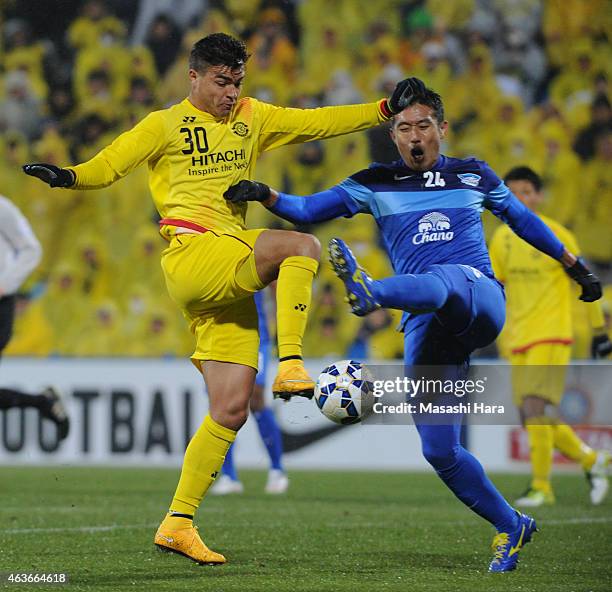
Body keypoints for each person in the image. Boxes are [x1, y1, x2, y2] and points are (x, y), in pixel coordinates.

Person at [23, 32, 413, 565]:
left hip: (227, 267)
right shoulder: (163, 125)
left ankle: (177, 521)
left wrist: (385, 108)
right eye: (221, 82)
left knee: (230, 409)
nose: (230, 93)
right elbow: (110, 164)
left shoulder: (253, 116)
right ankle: (293, 364)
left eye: (237, 83)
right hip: (192, 254)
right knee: (301, 245)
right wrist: (68, 176)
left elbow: (315, 121)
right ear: (194, 77)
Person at [224, 78, 604, 572]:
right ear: (395, 136)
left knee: (441, 278)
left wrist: (573, 263)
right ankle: (511, 525)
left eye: (423, 124)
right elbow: (308, 210)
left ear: (442, 129)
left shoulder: (474, 175)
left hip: (477, 295)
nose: (413, 135)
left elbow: (524, 221)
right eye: (403, 128)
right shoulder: (374, 182)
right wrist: (263, 193)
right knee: (439, 449)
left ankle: (371, 290)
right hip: (426, 322)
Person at [490, 166, 611, 507]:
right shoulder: (501, 239)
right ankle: (592, 460)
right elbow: (496, 287)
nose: (519, 199)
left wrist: (599, 332)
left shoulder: (557, 235)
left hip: (552, 334)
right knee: (532, 416)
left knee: (535, 407)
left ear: (539, 196)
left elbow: (587, 283)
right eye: (511, 193)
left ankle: (542, 486)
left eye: (526, 191)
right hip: (517, 338)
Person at [0, 193, 69, 440]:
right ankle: (42, 402)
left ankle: (42, 402)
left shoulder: (3, 209)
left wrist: (4, 285)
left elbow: (31, 250)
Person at [211, 289, 288, 495]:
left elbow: (276, 284)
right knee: (222, 403)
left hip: (255, 334)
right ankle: (229, 476)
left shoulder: (252, 255)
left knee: (255, 398)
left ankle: (277, 470)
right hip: (220, 337)